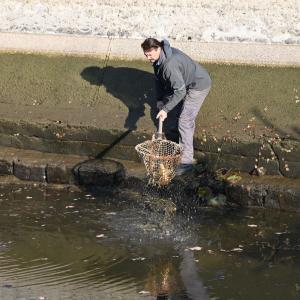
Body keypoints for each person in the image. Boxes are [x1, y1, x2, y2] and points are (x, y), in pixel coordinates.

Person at [141, 38, 211, 176]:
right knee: (174, 110)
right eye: (145, 54)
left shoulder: (169, 65)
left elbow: (180, 91)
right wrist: (160, 99)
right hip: (183, 83)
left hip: (198, 85)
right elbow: (158, 80)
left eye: (150, 54)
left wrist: (165, 110)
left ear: (158, 49)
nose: (148, 57)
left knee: (185, 121)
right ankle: (177, 141)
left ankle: (186, 163)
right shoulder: (158, 60)